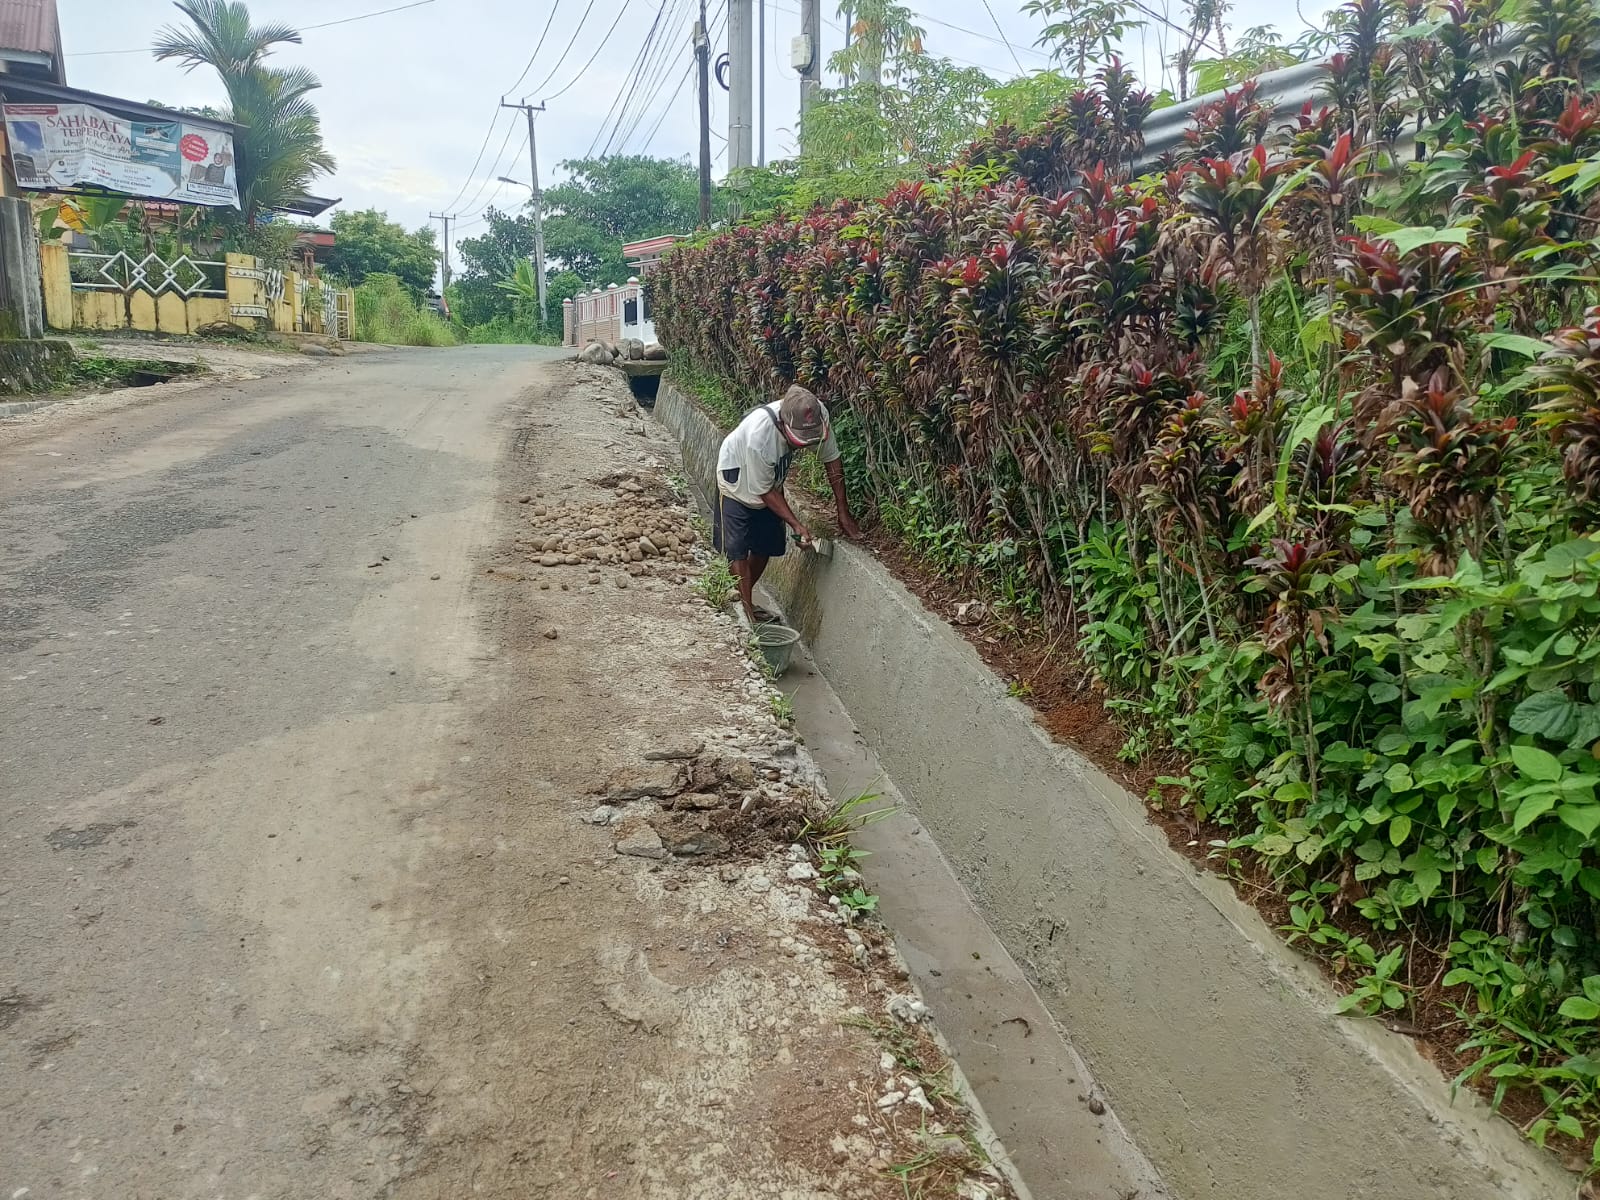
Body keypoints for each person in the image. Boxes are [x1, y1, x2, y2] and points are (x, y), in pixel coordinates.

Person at [713, 384, 861, 623]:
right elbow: (764, 491)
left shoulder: (814, 414)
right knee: (736, 548)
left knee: (765, 546)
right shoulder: (759, 437)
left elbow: (832, 459)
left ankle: (745, 603)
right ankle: (746, 617)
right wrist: (796, 525)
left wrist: (842, 512)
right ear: (783, 425)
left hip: (769, 482)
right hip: (736, 480)